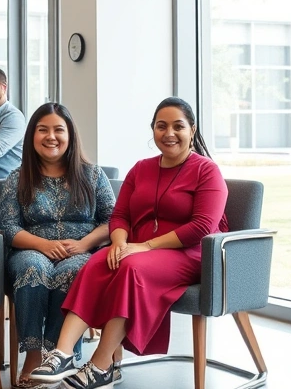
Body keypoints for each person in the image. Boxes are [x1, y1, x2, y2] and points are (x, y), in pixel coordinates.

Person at [29, 97, 228, 389]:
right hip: (137, 249)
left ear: (192, 130)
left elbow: (202, 227)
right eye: (161, 126)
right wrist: (119, 243)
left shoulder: (206, 170)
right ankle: (62, 354)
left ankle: (101, 365)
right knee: (96, 263)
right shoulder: (141, 168)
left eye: (178, 126)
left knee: (130, 268)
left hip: (188, 253)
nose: (169, 133)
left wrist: (144, 247)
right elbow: (120, 215)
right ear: (153, 130)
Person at [0, 103, 116, 388]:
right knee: (32, 268)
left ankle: (58, 356)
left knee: (73, 272)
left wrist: (84, 243)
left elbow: (114, 220)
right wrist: (44, 245)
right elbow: (8, 227)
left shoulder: (93, 174)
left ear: (70, 135)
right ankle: (33, 355)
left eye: (58, 130)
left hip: (82, 250)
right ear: (32, 136)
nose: (51, 136)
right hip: (30, 249)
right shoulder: (18, 176)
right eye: (43, 130)